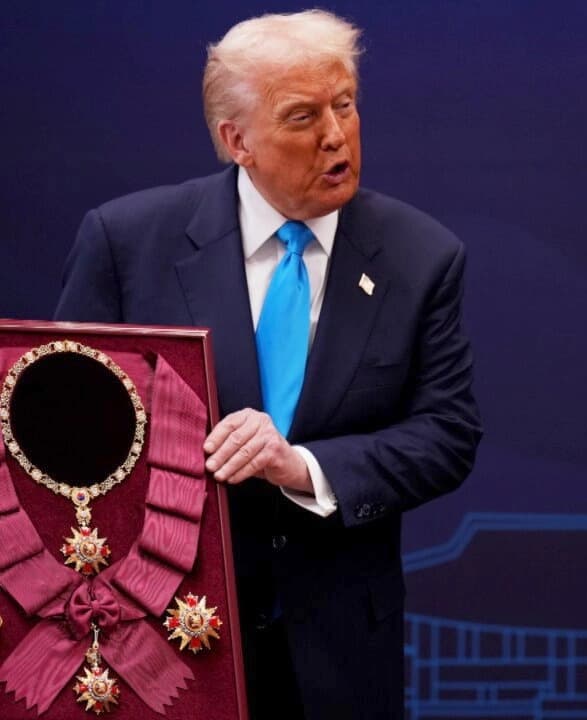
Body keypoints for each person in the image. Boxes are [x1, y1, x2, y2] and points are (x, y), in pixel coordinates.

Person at [54, 10, 482, 720]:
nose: (336, 135)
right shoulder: (127, 244)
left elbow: (447, 433)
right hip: (154, 642)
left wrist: (304, 469)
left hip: (340, 653)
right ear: (237, 140)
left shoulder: (422, 256)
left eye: (344, 104)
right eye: (302, 116)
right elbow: (59, 433)